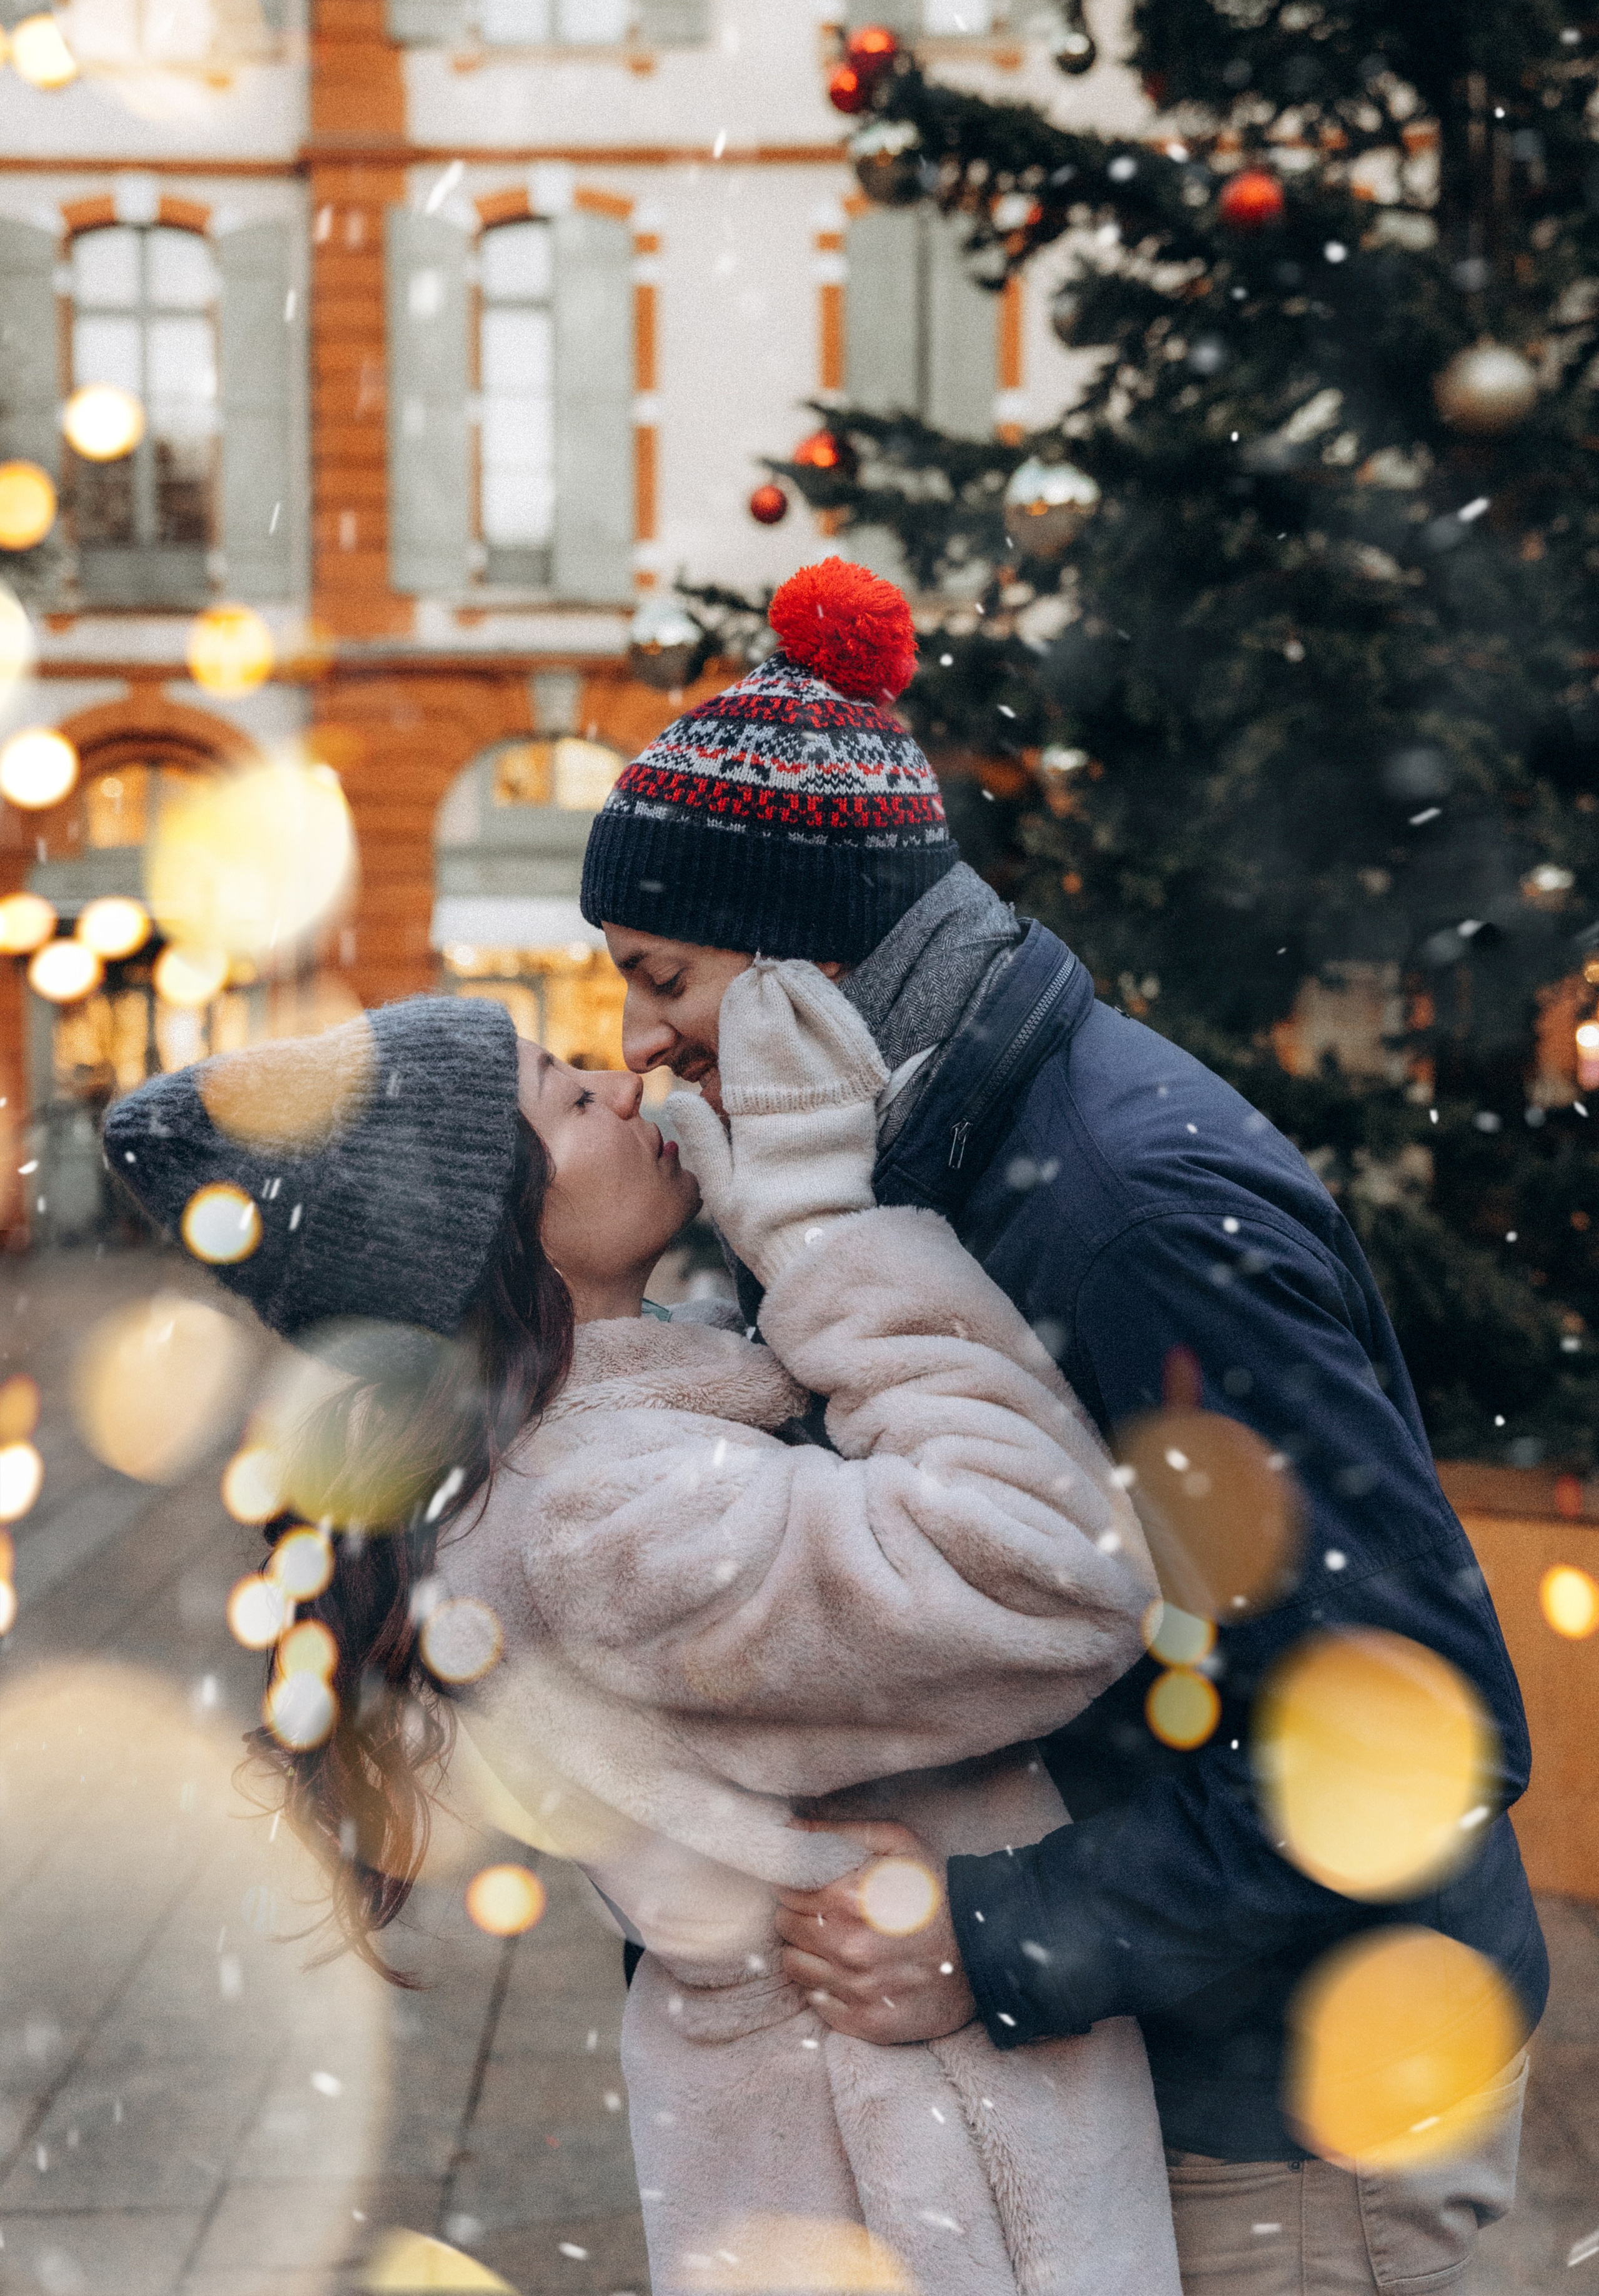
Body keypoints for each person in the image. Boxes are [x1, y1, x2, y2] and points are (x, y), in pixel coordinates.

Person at [578, 557, 1548, 2294]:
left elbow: (1424, 1733)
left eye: (664, 978)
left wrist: (1005, 1934)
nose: (642, 1045)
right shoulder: (915, 1155)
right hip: (1203, 2089)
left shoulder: (1126, 1213)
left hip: (1304, 2135)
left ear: (814, 965)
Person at [102, 976, 1182, 2296]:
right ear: (500, 1237)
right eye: (567, 1097)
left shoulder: (587, 1455)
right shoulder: (601, 1521)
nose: (623, 1085)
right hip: (901, 2177)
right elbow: (1052, 1572)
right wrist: (819, 1228)